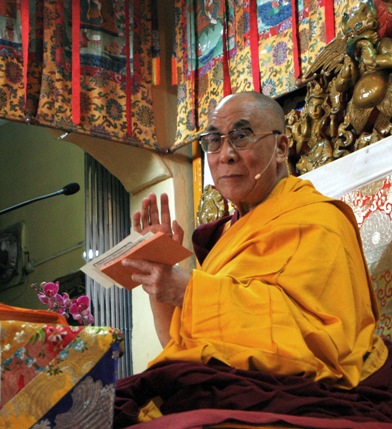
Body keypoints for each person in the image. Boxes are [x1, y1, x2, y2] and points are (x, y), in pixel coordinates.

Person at [114, 91, 392, 426]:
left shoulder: (319, 221)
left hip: (296, 384)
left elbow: (323, 341)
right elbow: (179, 346)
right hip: (230, 381)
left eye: (241, 136)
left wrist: (189, 290)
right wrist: (161, 278)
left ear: (280, 148)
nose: (225, 155)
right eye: (213, 141)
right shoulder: (226, 239)